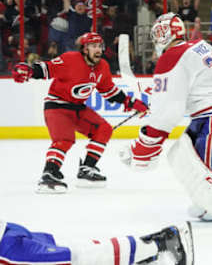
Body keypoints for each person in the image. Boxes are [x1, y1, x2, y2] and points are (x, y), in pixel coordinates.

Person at [120, 12, 212, 233]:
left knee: (206, 166)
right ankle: (210, 203)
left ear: (161, 35)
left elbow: (167, 114)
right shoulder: (198, 46)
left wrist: (145, 143)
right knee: (189, 153)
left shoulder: (171, 57)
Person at [11, 32, 149, 194]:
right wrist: (29, 70)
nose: (98, 50)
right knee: (64, 139)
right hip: (57, 105)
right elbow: (47, 68)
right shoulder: (70, 59)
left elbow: (108, 91)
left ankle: (87, 168)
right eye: (93, 46)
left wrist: (129, 102)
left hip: (77, 107)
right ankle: (49, 173)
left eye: (99, 46)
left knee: (103, 128)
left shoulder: (102, 66)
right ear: (84, 49)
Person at [0, 219, 194, 265]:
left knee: (76, 259)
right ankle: (147, 253)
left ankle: (161, 243)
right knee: (71, 251)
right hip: (7, 233)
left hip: (6, 246)